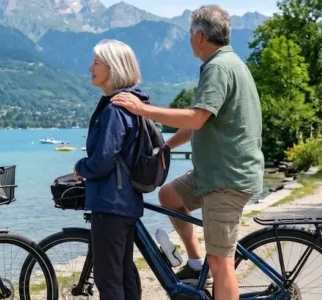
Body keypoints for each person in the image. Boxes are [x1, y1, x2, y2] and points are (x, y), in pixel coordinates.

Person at [110, 5, 262, 300]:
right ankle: (193, 263)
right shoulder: (224, 63)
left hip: (226, 179)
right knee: (169, 196)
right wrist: (164, 147)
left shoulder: (218, 67)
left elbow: (195, 118)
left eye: (190, 35)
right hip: (214, 173)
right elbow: (198, 125)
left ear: (200, 36)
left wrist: (142, 110)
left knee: (220, 262)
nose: (190, 40)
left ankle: (205, 268)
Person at [72, 39, 147, 300]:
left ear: (112, 67)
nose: (90, 67)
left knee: (108, 279)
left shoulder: (116, 108)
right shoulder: (129, 103)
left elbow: (103, 159)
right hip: (126, 202)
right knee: (124, 274)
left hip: (111, 203)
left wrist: (80, 167)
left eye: (96, 62)